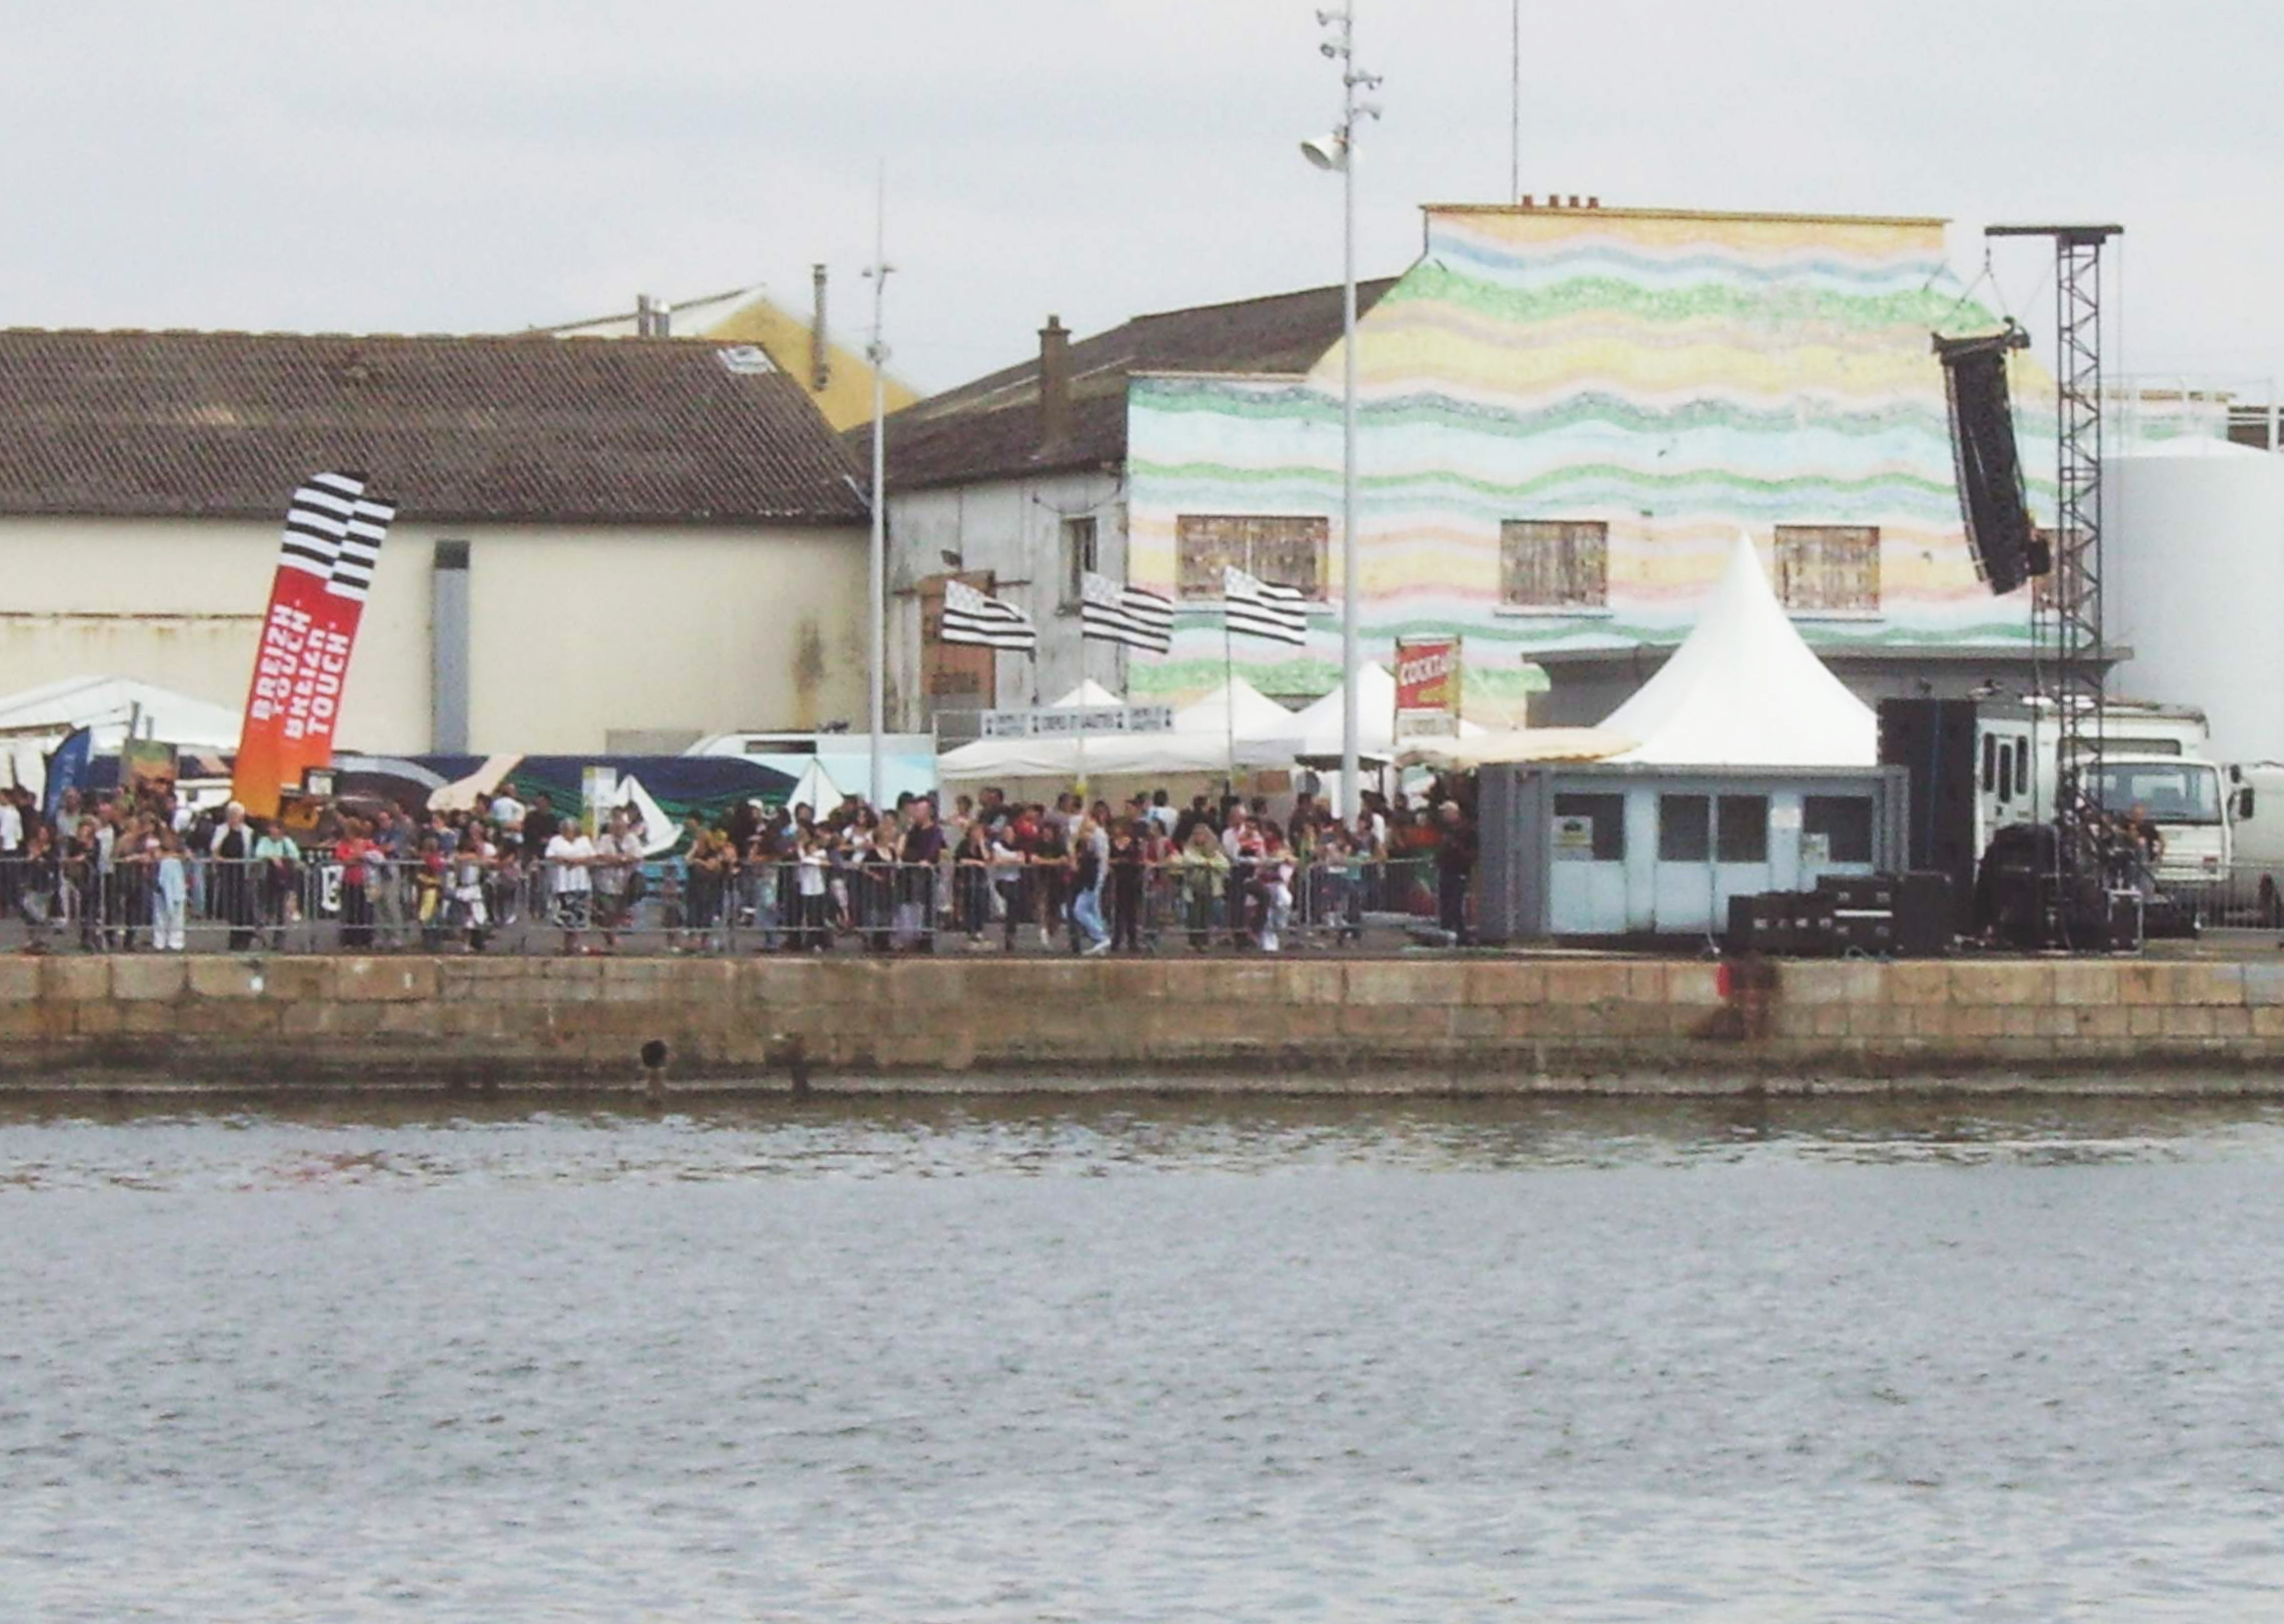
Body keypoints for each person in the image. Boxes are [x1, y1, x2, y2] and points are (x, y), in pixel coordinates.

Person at [208, 801, 257, 951]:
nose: (233, 818)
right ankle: (234, 935)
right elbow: (214, 849)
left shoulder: (248, 832)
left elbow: (251, 851)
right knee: (231, 906)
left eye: (236, 815)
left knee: (244, 904)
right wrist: (219, 859)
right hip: (227, 873)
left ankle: (245, 934)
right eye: (230, 815)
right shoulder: (221, 830)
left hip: (243, 873)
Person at [545, 816, 596, 954]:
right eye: (565, 830)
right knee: (565, 916)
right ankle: (568, 945)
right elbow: (550, 856)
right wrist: (566, 860)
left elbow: (591, 858)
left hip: (581, 884)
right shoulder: (555, 841)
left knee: (579, 916)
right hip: (562, 884)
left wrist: (577, 861)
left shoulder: (584, 841)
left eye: (570, 830)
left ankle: (575, 945)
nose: (567, 832)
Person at [1177, 823, 1230, 952]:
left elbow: (1224, 864)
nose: (1197, 837)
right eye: (1195, 834)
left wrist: (1210, 863)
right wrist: (1205, 862)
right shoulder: (1189, 849)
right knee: (1193, 916)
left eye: (1200, 834)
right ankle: (1193, 942)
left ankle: (1204, 942)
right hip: (1193, 887)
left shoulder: (1214, 851)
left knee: (1205, 916)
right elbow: (1188, 860)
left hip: (1209, 887)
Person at [1434, 800, 1476, 944]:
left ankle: (1461, 934)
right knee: (1445, 903)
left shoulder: (1465, 830)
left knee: (1455, 904)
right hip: (1446, 871)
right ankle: (1446, 932)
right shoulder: (1447, 830)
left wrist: (1456, 849)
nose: (1443, 815)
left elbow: (1471, 853)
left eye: (1445, 812)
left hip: (1459, 871)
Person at [1070, 813, 1111, 955]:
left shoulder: (1098, 835)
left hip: (1093, 879)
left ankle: (1101, 936)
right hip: (1092, 878)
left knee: (1080, 910)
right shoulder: (1093, 837)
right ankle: (1101, 941)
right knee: (1094, 909)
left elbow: (1097, 858)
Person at [335, 817, 378, 950]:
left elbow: (373, 857)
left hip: (365, 882)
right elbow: (342, 859)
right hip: (348, 881)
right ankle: (349, 940)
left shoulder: (366, 843)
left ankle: (365, 940)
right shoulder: (342, 844)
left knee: (364, 911)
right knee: (349, 911)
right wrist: (356, 858)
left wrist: (358, 858)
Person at [952, 820, 994, 943]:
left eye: (979, 832)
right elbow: (960, 860)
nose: (977, 834)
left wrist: (981, 844)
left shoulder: (986, 844)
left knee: (980, 902)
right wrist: (976, 862)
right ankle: (969, 929)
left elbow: (987, 859)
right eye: (975, 831)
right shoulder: (964, 844)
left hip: (980, 879)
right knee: (968, 903)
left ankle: (979, 929)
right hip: (966, 877)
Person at [150, 827, 188, 952]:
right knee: (160, 915)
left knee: (177, 915)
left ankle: (176, 943)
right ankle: (159, 942)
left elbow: (187, 855)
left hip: (177, 885)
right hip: (161, 885)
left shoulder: (179, 848)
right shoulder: (157, 846)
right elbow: (156, 856)